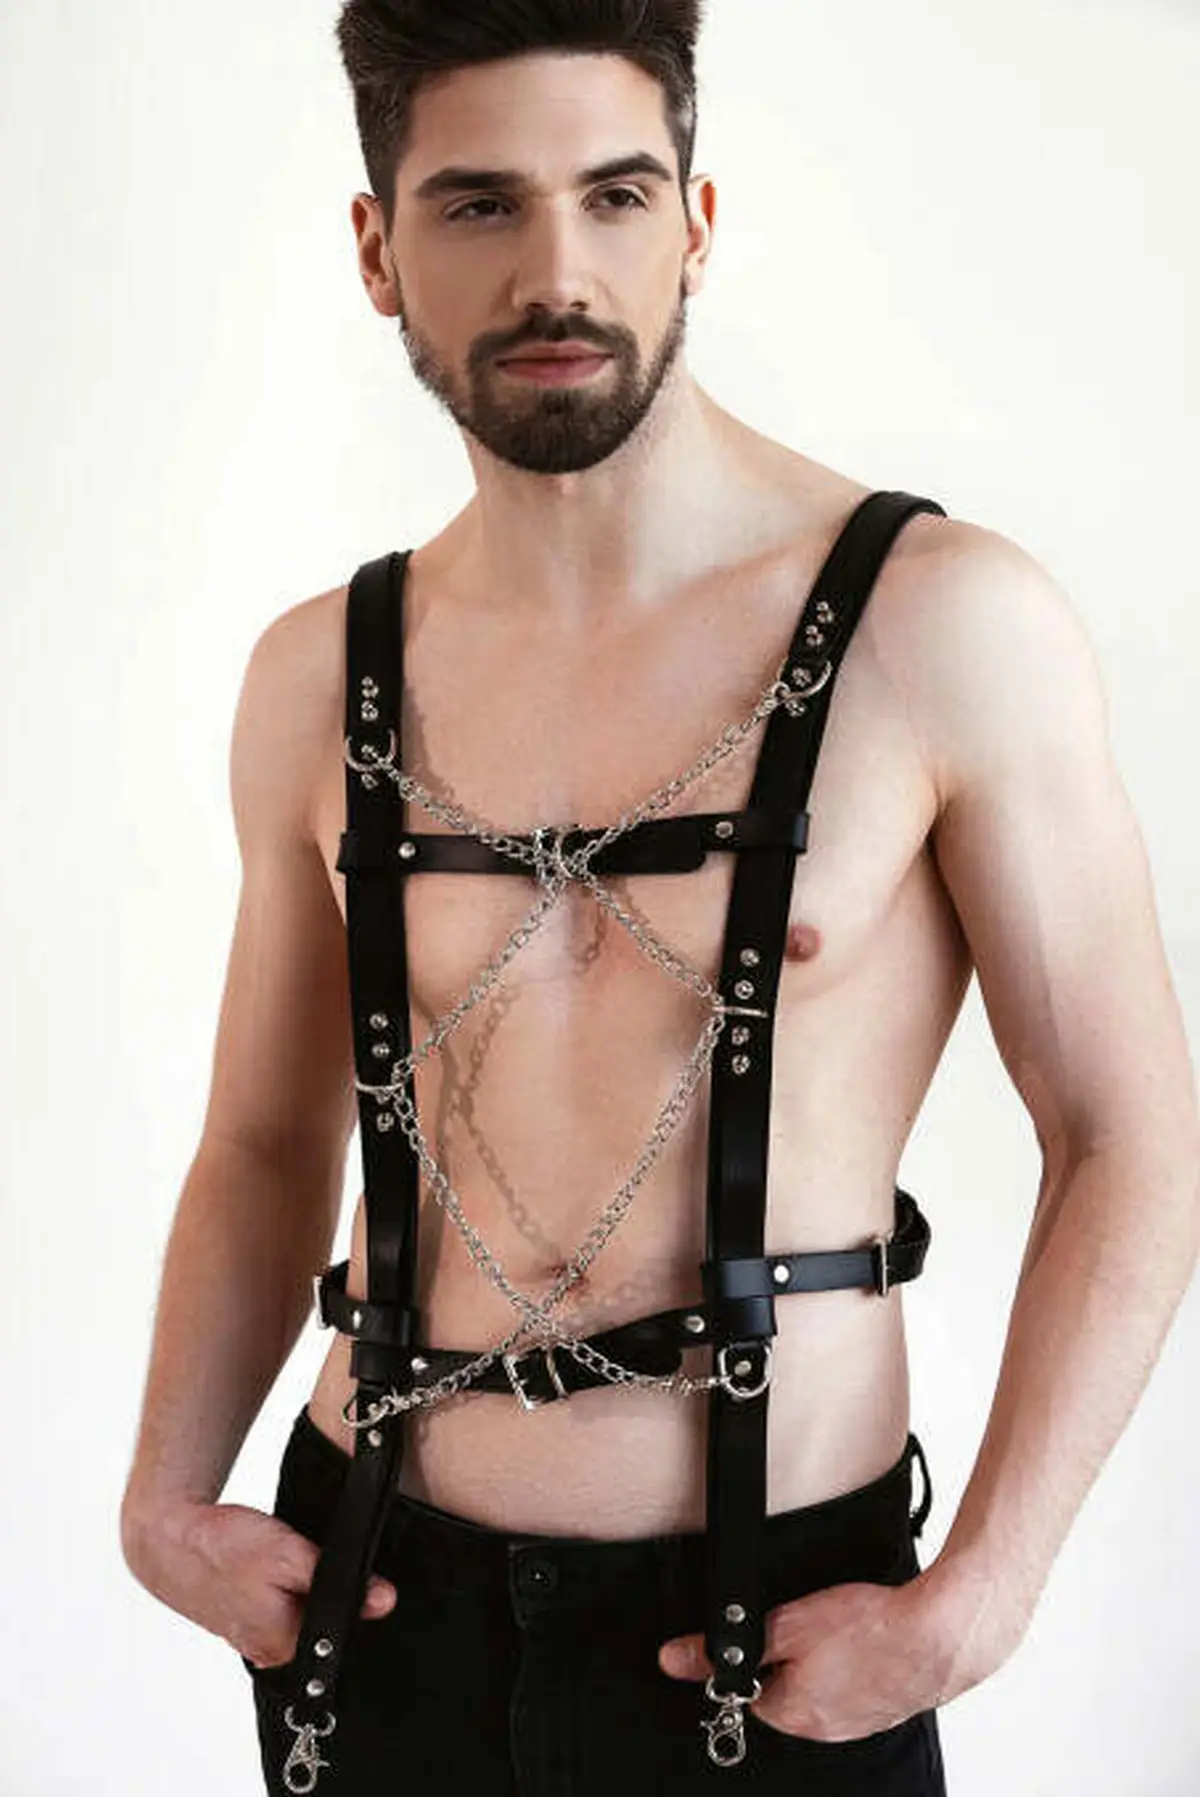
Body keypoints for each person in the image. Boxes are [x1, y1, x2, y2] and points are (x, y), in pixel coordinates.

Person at [119, 4, 1200, 1794]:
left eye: (614, 195)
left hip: (784, 1636)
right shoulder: (319, 674)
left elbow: (1127, 1135)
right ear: (378, 250)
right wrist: (164, 1499)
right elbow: (257, 1143)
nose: (559, 272)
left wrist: (978, 1602)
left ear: (694, 222)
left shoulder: (945, 625)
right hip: (373, 1616)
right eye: (480, 205)